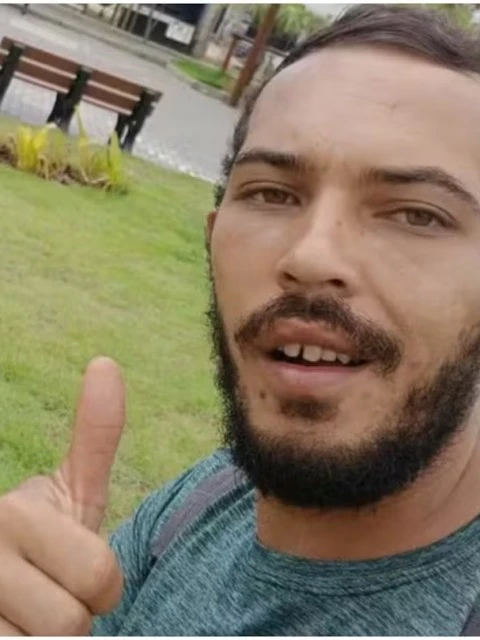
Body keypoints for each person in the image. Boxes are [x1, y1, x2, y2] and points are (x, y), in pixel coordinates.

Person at [2, 3, 480, 636]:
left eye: (416, 214)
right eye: (272, 194)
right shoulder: (211, 496)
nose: (310, 256)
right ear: (213, 239)